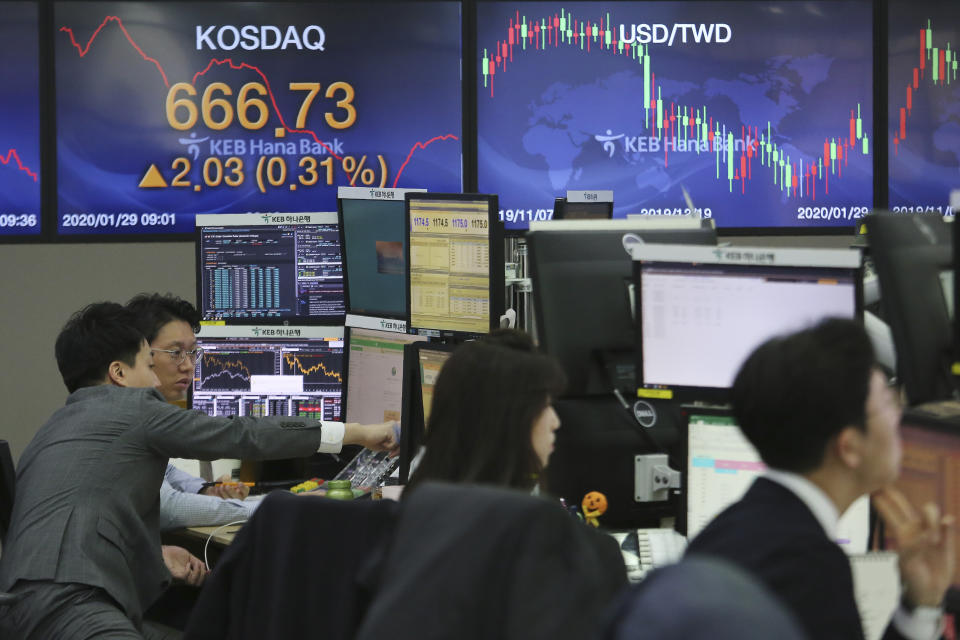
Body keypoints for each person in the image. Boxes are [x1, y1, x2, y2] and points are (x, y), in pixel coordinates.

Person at [0, 302, 397, 639]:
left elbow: (78, 519)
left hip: (21, 606)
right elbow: (242, 435)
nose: (156, 378)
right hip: (73, 605)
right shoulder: (133, 408)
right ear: (119, 373)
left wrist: (151, 557)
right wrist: (357, 432)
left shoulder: (53, 428)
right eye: (148, 364)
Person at [685, 318, 955, 640]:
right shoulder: (809, 569)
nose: (899, 416)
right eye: (887, 402)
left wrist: (920, 604)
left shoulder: (727, 531)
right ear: (850, 447)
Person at [126, 293, 254, 530]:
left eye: (193, 352)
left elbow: (164, 471)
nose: (188, 365)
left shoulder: (137, 410)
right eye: (175, 353)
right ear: (140, 353)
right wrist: (272, 509)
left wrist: (206, 490)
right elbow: (170, 507)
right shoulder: (124, 417)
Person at [405, 329, 565, 493]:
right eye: (544, 406)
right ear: (504, 420)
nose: (555, 422)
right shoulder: (513, 514)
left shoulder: (426, 494)